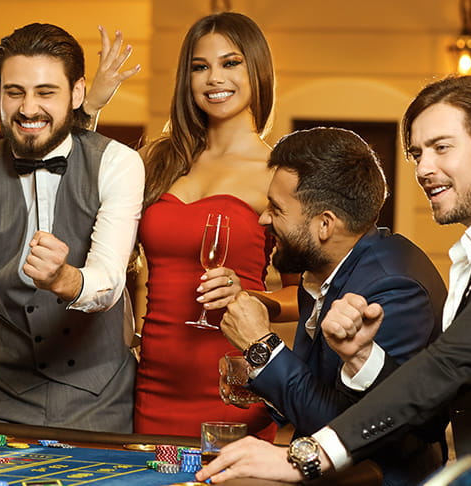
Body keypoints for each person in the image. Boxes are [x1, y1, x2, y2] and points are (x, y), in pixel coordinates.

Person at [198, 75, 471, 485]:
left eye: (441, 148)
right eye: (418, 154)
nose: (423, 169)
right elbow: (441, 405)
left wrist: (308, 456)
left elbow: (451, 365)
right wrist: (363, 358)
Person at [0, 23, 144, 433]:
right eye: (14, 92)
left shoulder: (118, 163)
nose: (28, 108)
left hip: (100, 399)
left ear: (77, 94)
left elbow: (109, 282)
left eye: (46, 92)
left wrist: (64, 277)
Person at [218, 127, 447, 485]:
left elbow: (352, 429)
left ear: (325, 224)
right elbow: (317, 388)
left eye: (276, 209)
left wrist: (261, 347)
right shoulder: (332, 265)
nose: (263, 218)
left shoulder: (393, 288)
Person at [123, 12, 290, 439]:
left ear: (257, 71)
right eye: (201, 67)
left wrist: (252, 297)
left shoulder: (279, 173)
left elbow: (307, 295)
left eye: (230, 63)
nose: (214, 78)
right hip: (153, 386)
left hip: (232, 388)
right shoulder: (158, 161)